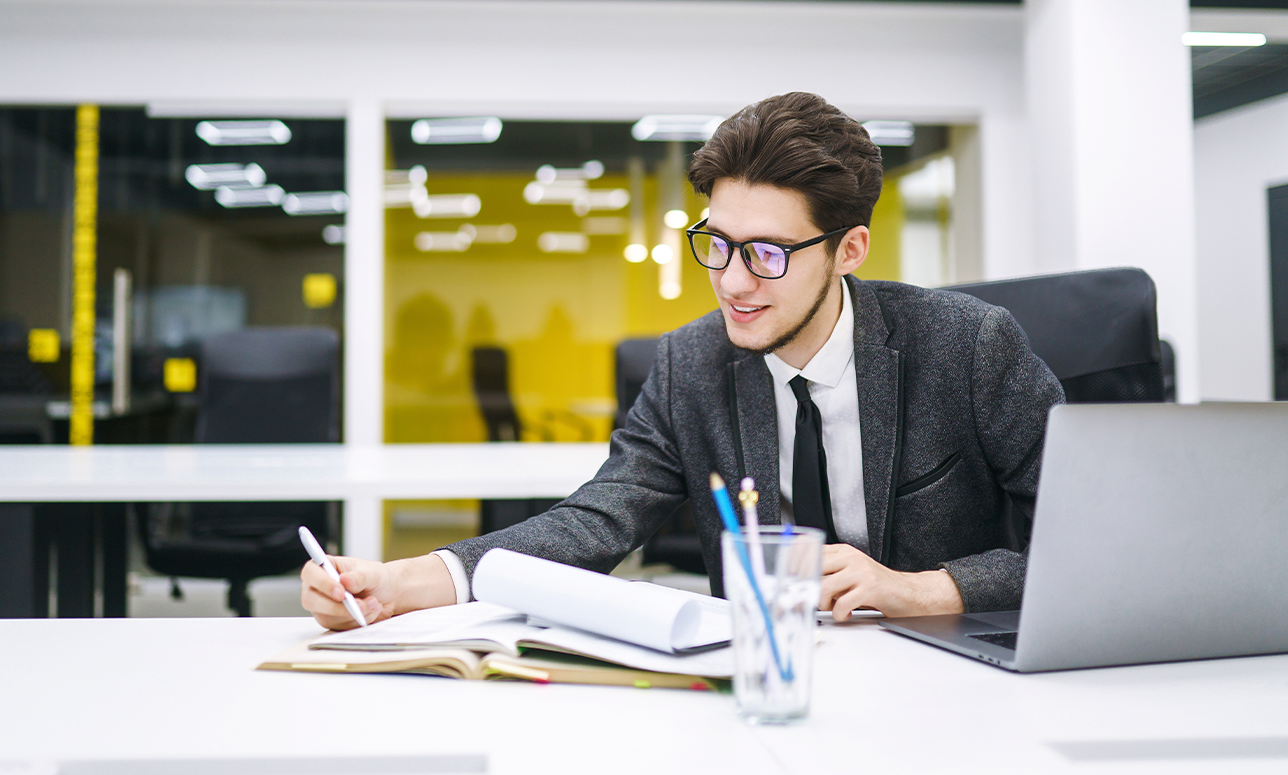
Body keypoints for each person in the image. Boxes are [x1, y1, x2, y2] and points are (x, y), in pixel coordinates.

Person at [303, 92, 1063, 629]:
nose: (732, 282)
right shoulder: (690, 366)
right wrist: (401, 581)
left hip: (954, 687)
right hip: (765, 689)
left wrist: (923, 589)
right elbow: (594, 521)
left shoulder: (966, 347)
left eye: (766, 252)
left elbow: (1078, 541)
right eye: (717, 244)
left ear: (849, 249)